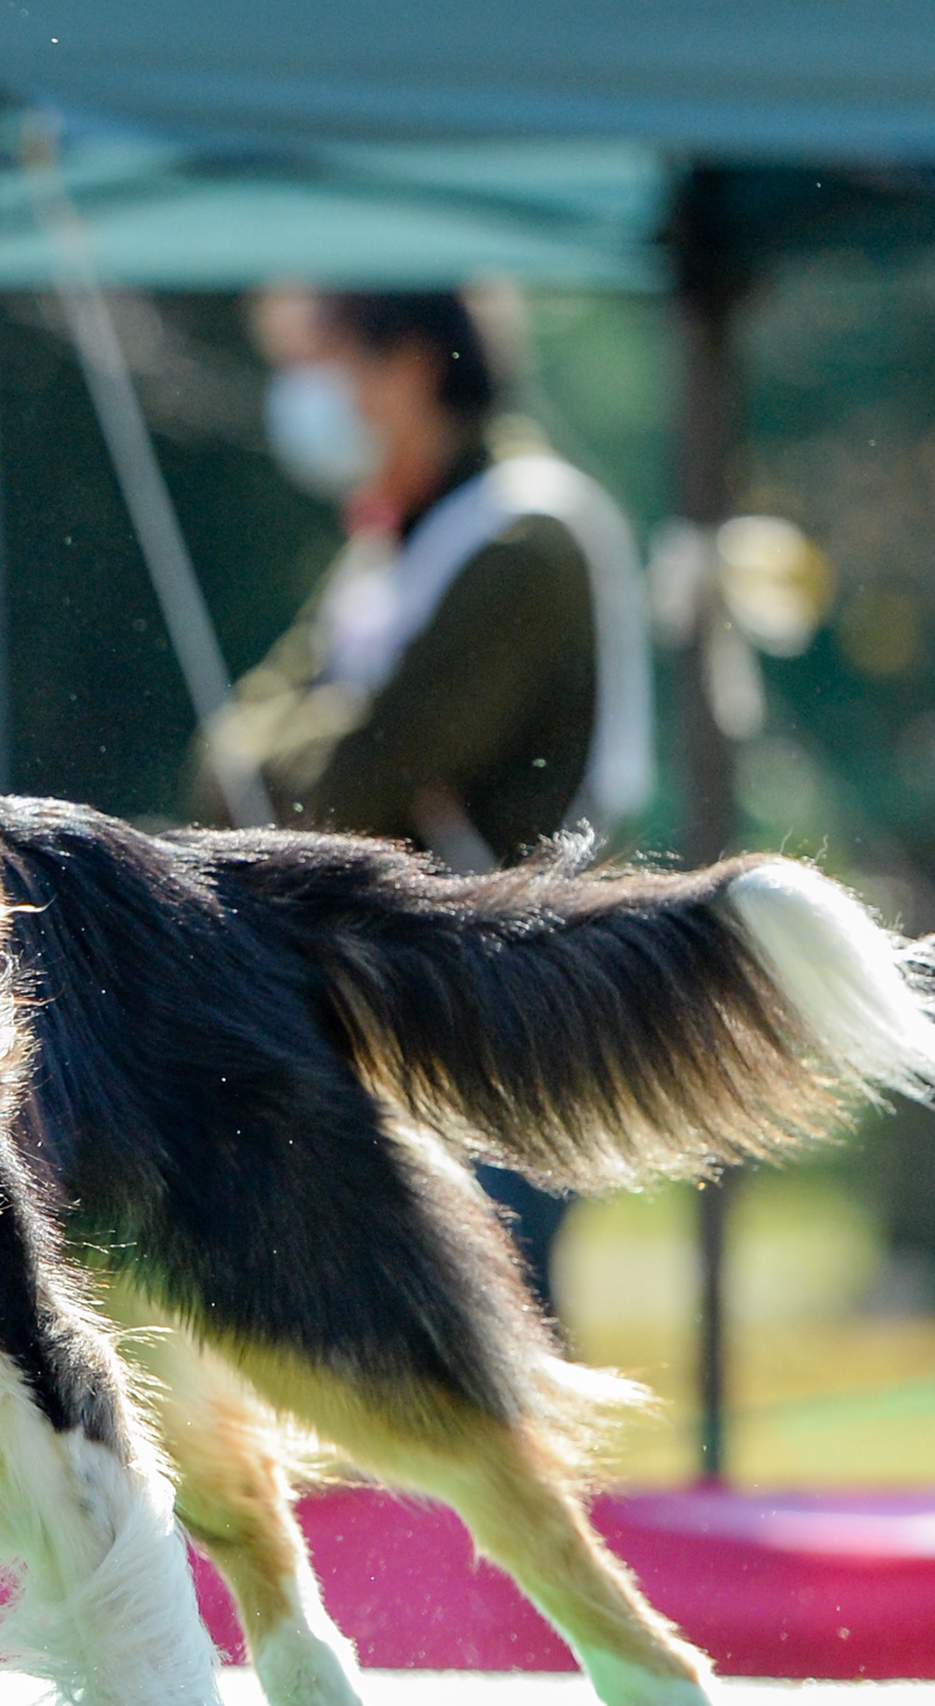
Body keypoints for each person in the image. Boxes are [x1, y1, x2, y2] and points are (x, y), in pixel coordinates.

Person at [197, 289, 650, 1300]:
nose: (298, 396)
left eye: (317, 362)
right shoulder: (395, 543)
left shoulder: (523, 538)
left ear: (407, 366)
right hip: (401, 1015)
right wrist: (315, 745)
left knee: (495, 1325)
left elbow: (349, 786)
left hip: (505, 1017)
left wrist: (310, 745)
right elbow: (226, 767)